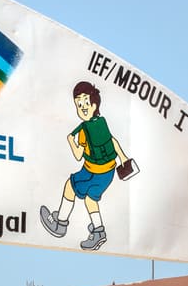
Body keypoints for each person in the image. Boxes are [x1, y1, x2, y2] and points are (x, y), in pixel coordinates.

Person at [39, 81, 135, 251]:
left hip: (91, 171)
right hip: (108, 172)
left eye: (85, 103)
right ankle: (98, 231)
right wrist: (123, 158)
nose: (83, 108)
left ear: (94, 104)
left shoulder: (83, 131)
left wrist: (71, 140)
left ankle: (60, 223)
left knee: (70, 186)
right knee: (91, 199)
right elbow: (112, 141)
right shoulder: (101, 122)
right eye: (79, 105)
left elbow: (78, 155)